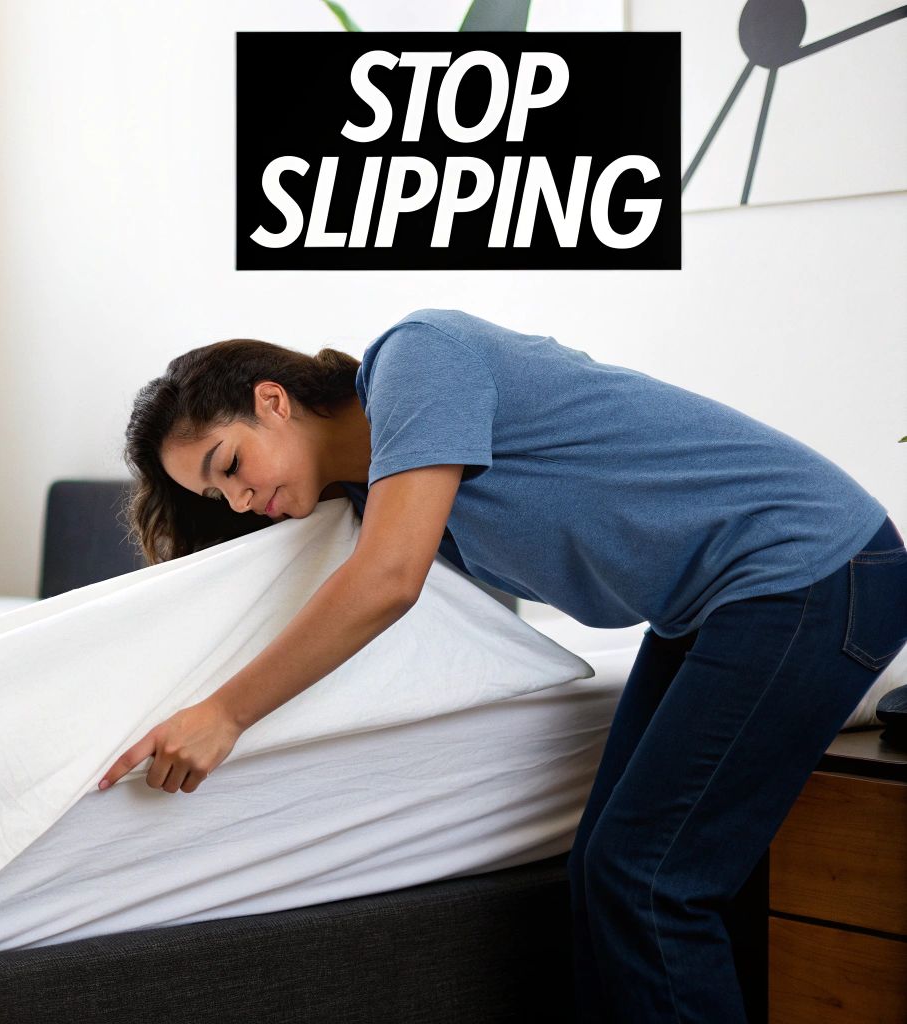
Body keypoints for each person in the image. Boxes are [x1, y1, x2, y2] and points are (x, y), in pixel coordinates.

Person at [96, 308, 907, 1022]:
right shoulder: (388, 494)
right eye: (217, 497)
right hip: (715, 605)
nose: (237, 501)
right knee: (603, 870)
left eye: (230, 466)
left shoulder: (417, 356)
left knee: (646, 878)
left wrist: (227, 713)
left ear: (272, 399)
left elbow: (385, 585)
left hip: (813, 569)